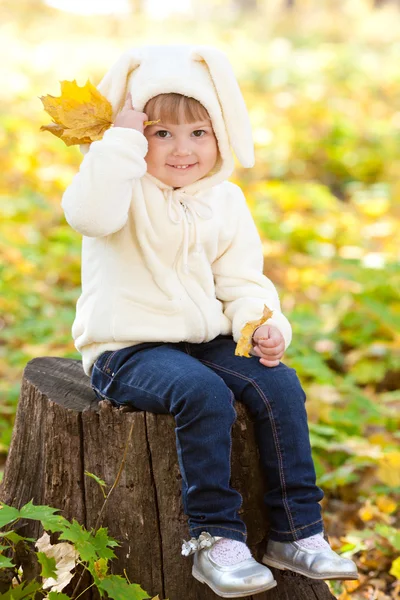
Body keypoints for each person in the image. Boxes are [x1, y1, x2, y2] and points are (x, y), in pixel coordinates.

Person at [61, 44, 358, 597]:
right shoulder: (119, 187)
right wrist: (118, 143)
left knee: (278, 383)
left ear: (221, 133)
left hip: (205, 341)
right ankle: (215, 538)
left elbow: (242, 280)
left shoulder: (225, 201)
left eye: (199, 133)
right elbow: (87, 214)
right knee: (202, 393)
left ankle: (296, 532)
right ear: (135, 136)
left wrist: (261, 323)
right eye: (160, 133)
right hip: (127, 351)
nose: (182, 150)